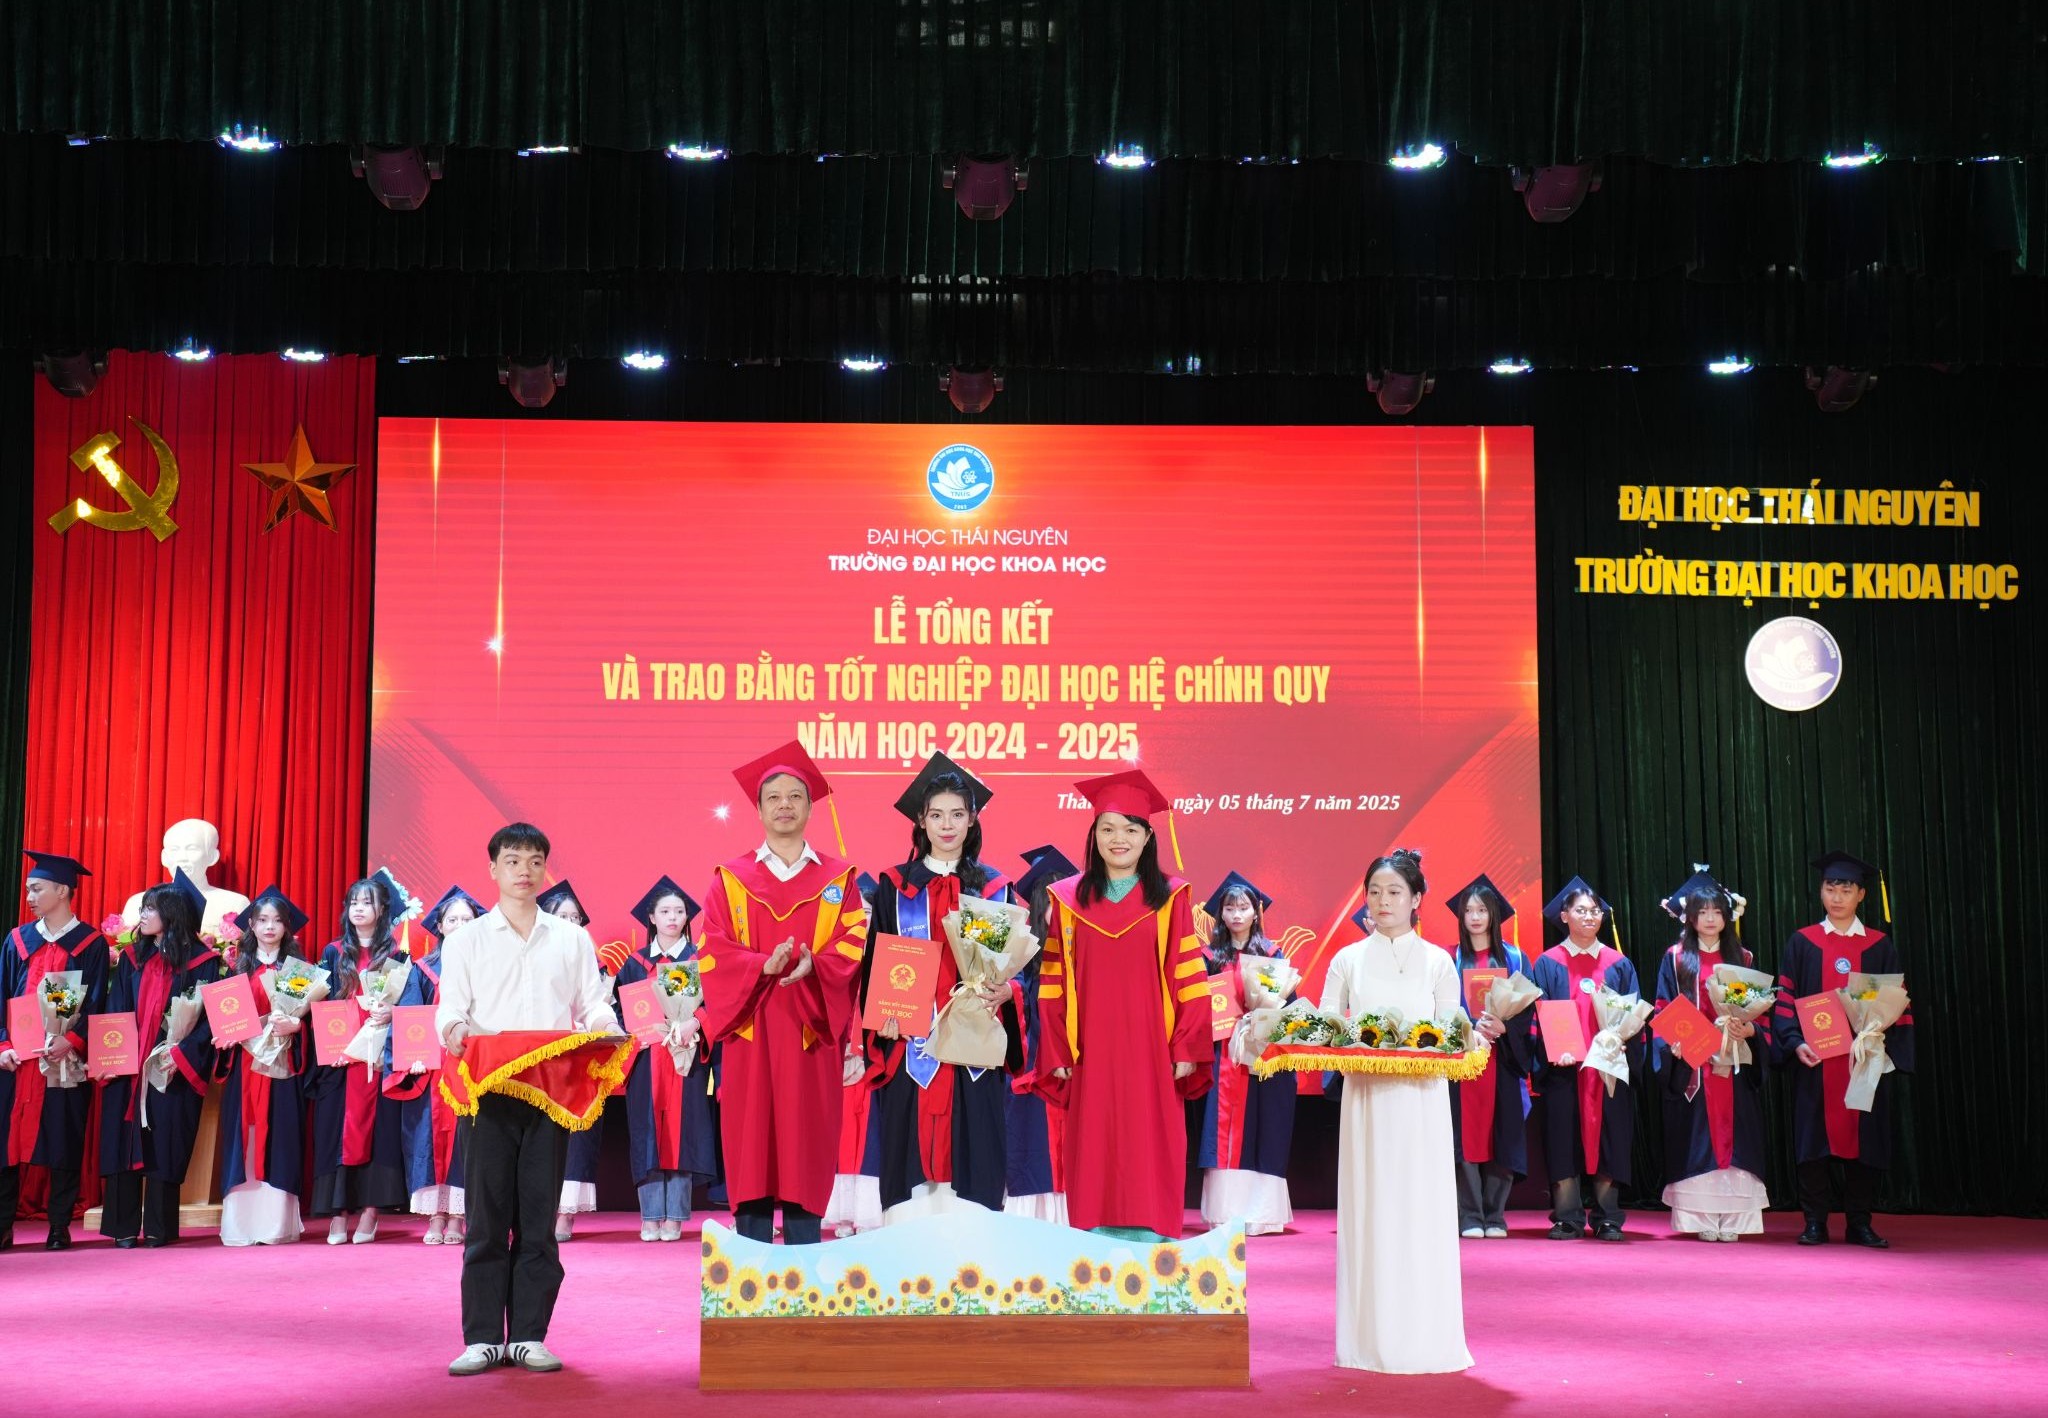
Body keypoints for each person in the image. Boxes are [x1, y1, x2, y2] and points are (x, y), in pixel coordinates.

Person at [436, 822, 621, 1376]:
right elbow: (452, 1009)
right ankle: (482, 1338)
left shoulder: (570, 938)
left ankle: (529, 1336)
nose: (524, 871)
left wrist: (607, 1028)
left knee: (538, 1217)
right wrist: (453, 1031)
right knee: (486, 1217)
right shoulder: (466, 939)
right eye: (513, 860)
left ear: (545, 869)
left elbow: (592, 1005)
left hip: (550, 1092)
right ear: (493, 868)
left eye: (535, 861)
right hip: (488, 1091)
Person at [697, 742, 868, 1246]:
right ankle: (750, 1254)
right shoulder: (731, 880)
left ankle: (804, 1257)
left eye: (795, 796)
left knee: (805, 1141)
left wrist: (817, 964)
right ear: (759, 809)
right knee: (751, 1143)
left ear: (811, 807)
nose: (785, 805)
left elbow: (853, 945)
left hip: (810, 1029)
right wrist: (759, 966)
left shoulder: (839, 879)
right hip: (751, 1030)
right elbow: (713, 949)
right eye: (774, 797)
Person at [1036, 769, 1211, 1240]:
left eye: (1131, 829)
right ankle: (1093, 1240)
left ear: (1148, 837)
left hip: (1153, 1047)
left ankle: (1151, 1238)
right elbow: (1052, 981)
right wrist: (1057, 1047)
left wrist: (1186, 1045)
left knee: (1149, 1137)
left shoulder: (1171, 898)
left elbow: (1189, 977)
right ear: (1093, 835)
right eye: (1108, 828)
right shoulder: (1068, 901)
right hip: (1090, 1048)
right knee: (1094, 1139)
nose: (1119, 839)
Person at [1317, 849, 1472, 1374]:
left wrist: (1470, 1037)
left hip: (1422, 1103)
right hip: (1365, 1102)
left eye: (1395, 892)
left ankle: (1427, 1336)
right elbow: (1326, 1025)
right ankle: (1367, 1340)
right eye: (1375, 892)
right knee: (1371, 1207)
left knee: (1420, 1209)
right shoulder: (1347, 959)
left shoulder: (1438, 961)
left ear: (1417, 899)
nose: (1383, 901)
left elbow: (1451, 1031)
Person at [859, 753, 1022, 1223]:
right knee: (910, 1162)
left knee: (974, 1154)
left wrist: (1009, 993)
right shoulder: (895, 888)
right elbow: (875, 966)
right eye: (936, 815)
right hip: (910, 1047)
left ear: (972, 820)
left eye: (957, 814)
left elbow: (1011, 970)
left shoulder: (993, 889)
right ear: (921, 821)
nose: (947, 825)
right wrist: (881, 1018)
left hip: (973, 1046)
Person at [1772, 849, 1914, 1248]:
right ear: (1821, 891)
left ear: (1861, 895)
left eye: (1846, 889)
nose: (1837, 897)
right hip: (1816, 1060)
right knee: (1812, 1140)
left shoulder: (1879, 945)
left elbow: (1896, 1001)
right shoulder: (1803, 942)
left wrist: (1882, 1041)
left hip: (1864, 1060)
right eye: (1830, 888)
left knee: (1866, 1140)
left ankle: (1859, 1222)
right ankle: (1814, 1222)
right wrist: (1794, 1043)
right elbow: (1785, 999)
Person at [97, 871, 223, 1247]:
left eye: (150, 908)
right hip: (129, 1065)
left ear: (172, 913)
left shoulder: (204, 962)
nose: (143, 915)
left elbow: (210, 1019)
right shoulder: (132, 957)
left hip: (171, 1066)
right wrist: (113, 1055)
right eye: (143, 908)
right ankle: (122, 1227)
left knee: (166, 1140)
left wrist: (181, 1053)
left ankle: (158, 1226)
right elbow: (116, 1008)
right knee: (123, 1139)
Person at [0, 850, 111, 1250]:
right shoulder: (17, 940)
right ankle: (2, 1225)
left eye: (37, 889)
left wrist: (73, 1039)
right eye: (29, 889)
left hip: (64, 1060)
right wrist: (3, 1044)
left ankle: (59, 1225)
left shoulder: (91, 944)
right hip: (17, 1062)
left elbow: (98, 1001)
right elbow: (1, 996)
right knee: (5, 1143)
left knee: (64, 1140)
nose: (29, 897)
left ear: (62, 891)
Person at [1652, 868, 1769, 1241]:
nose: (1710, 919)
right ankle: (1700, 1218)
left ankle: (1734, 1220)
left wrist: (1748, 1030)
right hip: (1694, 1061)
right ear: (1690, 917)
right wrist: (1673, 1041)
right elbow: (1663, 1006)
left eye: (1717, 912)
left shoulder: (1742, 958)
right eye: (1702, 912)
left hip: (1731, 1060)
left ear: (1727, 916)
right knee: (1697, 1138)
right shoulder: (1675, 959)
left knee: (1736, 1135)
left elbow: (1752, 1009)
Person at [1528, 876, 1643, 1241]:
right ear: (1564, 916)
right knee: (1563, 1139)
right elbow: (1537, 1016)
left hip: (1607, 1068)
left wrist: (1625, 1042)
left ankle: (1608, 1216)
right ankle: (1568, 1216)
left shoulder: (1618, 963)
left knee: (1611, 1138)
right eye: (1581, 910)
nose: (1590, 916)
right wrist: (1551, 1049)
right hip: (1565, 1068)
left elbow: (1633, 1015)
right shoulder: (1548, 963)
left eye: (1595, 911)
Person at [310, 875, 411, 1244]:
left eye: (367, 902)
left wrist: (391, 1014)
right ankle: (338, 1214)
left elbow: (409, 1004)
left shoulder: (397, 956)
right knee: (336, 1131)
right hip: (341, 1059)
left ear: (382, 909)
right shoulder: (334, 952)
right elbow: (320, 1004)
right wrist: (331, 1042)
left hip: (377, 1057)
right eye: (353, 902)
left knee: (379, 1133)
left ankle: (370, 1212)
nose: (358, 909)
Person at [616, 876, 717, 1241]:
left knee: (681, 1133)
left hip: (684, 1057)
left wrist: (695, 1022)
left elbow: (713, 1005)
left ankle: (674, 1215)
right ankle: (650, 1216)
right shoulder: (636, 963)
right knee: (647, 1133)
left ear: (687, 917)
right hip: (647, 1058)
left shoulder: (696, 960)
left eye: (679, 911)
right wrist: (635, 1034)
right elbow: (621, 1011)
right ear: (652, 917)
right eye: (665, 911)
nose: (673, 918)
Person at [1197, 870, 1296, 1236]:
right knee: (1225, 1132)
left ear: (1256, 912)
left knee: (1265, 1128)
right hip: (1223, 1055)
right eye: (1230, 908)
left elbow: (1288, 1006)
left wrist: (1262, 1017)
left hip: (1263, 1055)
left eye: (1243, 908)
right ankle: (1226, 1213)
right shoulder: (1209, 958)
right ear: (1220, 914)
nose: (1237, 915)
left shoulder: (1271, 955)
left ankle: (1262, 1213)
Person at [215, 884, 314, 1246]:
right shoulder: (235, 970)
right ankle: (241, 1226)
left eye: (277, 920)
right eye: (262, 920)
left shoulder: (300, 972)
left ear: (287, 927)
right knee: (244, 1137)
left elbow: (313, 1024)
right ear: (252, 926)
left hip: (282, 1067)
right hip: (244, 1067)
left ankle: (276, 1225)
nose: (270, 927)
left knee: (280, 1138)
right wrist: (224, 1036)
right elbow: (223, 1018)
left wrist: (298, 1026)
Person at [390, 885, 483, 1245]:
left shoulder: (489, 966)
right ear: (440, 927)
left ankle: (460, 1216)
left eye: (467, 919)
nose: (459, 925)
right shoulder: (423, 969)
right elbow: (411, 1015)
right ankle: (436, 1215)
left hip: (475, 1064)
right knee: (430, 1140)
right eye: (452, 920)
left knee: (469, 1137)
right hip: (432, 1069)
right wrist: (410, 1056)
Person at [1443, 873, 1532, 1239]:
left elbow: (1528, 1010)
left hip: (1503, 1059)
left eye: (1482, 910)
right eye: (1469, 910)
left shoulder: (1516, 958)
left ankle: (1495, 1215)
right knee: (1464, 1134)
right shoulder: (1449, 958)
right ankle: (1469, 1215)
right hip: (1463, 1059)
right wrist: (1468, 1030)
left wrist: (1504, 1028)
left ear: (1494, 914)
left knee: (1502, 1133)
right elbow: (1440, 1008)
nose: (1476, 917)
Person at [1003, 845, 1075, 1224]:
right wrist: (1010, 991)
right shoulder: (1021, 950)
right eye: (1051, 900)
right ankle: (1032, 1221)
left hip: (1076, 1069)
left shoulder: (1085, 946)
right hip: (1032, 1066)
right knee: (1033, 1142)